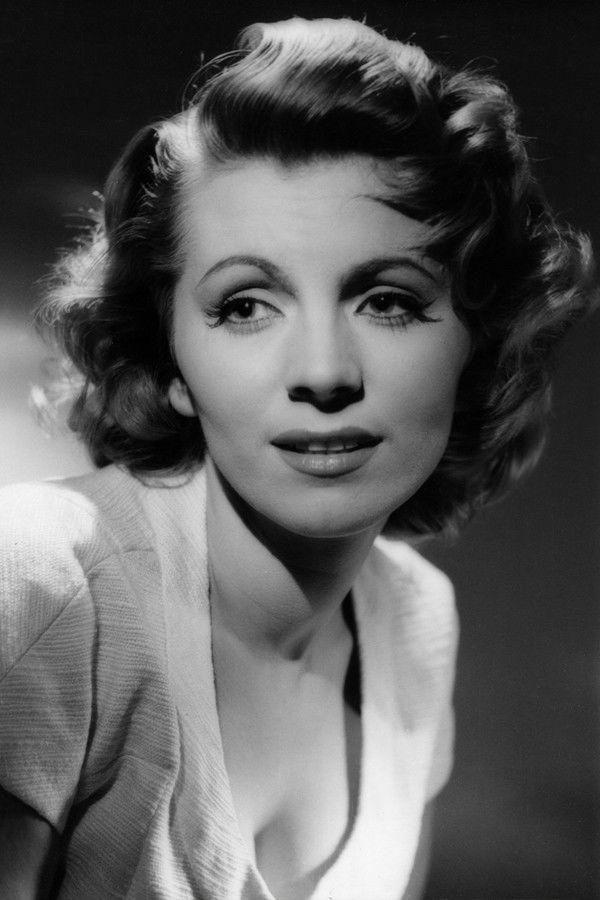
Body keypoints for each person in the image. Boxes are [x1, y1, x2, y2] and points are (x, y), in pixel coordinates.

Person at [0, 16, 595, 900]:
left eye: (389, 301)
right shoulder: (44, 584)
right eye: (245, 306)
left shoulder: (416, 623)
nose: (323, 372)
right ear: (170, 364)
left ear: (476, 343)